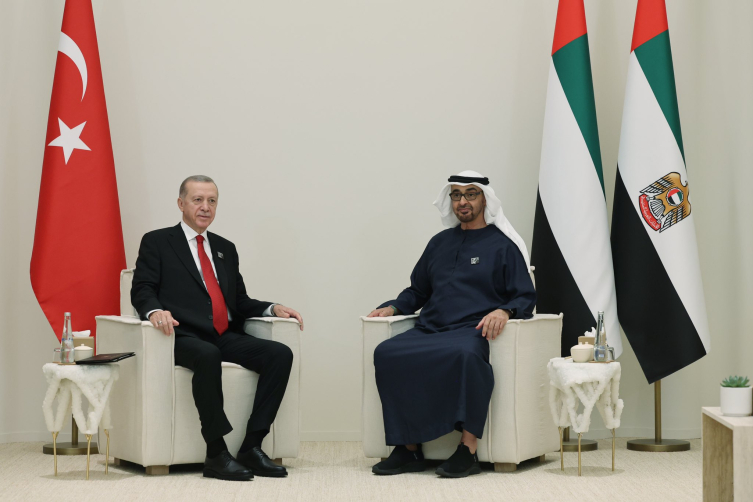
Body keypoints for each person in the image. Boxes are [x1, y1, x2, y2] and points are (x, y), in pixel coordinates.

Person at [131, 175, 304, 481]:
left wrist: (272, 308)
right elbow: (142, 288)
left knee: (279, 354)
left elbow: (238, 300)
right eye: (198, 200)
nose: (205, 207)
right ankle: (216, 453)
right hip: (180, 335)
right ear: (181, 203)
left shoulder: (225, 248)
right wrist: (155, 311)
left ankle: (252, 446)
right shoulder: (157, 242)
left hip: (223, 334)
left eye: (212, 201)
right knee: (207, 354)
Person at [369, 170, 536, 478]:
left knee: (467, 356)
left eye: (471, 194)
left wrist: (505, 311)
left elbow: (524, 295)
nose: (463, 201)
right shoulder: (439, 243)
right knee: (387, 352)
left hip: (471, 330)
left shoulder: (503, 245)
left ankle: (467, 450)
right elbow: (417, 291)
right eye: (456, 195)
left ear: (485, 199)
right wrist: (393, 307)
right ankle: (408, 449)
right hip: (430, 328)